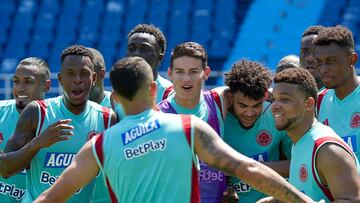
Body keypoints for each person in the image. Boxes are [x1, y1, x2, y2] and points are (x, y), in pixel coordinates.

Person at [34, 56, 317, 203]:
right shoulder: (188, 127)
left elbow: (51, 197)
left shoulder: (97, 146)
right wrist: (303, 200)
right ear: (155, 89)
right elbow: (249, 170)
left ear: (115, 98)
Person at [0, 45, 117, 203]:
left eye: (84, 74)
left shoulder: (107, 119)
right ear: (61, 79)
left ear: (94, 78)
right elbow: (5, 169)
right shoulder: (37, 112)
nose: (77, 79)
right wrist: (38, 143)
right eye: (70, 74)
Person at [262, 67, 360, 202]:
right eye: (274, 99)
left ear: (308, 104)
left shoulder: (327, 150)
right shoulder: (300, 141)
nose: (274, 106)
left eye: (284, 99)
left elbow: (352, 200)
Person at [157, 42, 226, 203]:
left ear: (206, 73)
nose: (186, 79)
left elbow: (252, 90)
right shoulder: (158, 116)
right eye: (180, 72)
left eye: (194, 72)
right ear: (170, 74)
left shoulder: (219, 100)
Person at [221, 60, 293, 203]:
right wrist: (223, 185)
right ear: (230, 98)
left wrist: (248, 169)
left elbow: (298, 162)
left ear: (266, 96)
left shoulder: (276, 115)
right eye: (242, 105)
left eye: (256, 105)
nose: (249, 113)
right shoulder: (218, 118)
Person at [0, 57, 51, 202]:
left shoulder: (55, 119)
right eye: (16, 81)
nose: (20, 88)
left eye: (28, 82)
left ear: (46, 86)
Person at [314, 26, 360, 160]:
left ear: (352, 60)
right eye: (319, 62)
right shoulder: (320, 100)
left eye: (331, 61)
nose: (323, 70)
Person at [112, 24, 173, 118]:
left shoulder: (170, 92)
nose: (136, 53)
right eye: (131, 49)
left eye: (145, 49)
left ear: (160, 58)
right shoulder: (117, 92)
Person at [87, 47, 113, 203]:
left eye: (87, 73)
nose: (80, 79)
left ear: (101, 74)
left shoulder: (119, 108)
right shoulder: (59, 110)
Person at [299, 25, 325, 91]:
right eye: (305, 52)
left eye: (317, 52)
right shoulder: (290, 93)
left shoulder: (338, 94)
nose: (310, 59)